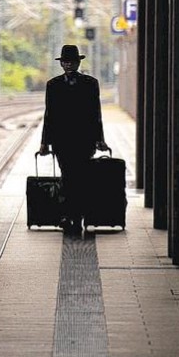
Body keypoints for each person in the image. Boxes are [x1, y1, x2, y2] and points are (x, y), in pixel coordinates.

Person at [38, 44, 108, 235]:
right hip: (62, 141)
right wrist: (44, 142)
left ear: (78, 62)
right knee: (69, 177)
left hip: (85, 140)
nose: (68, 65)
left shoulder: (90, 84)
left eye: (71, 61)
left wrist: (100, 139)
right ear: (61, 64)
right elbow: (49, 115)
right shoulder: (53, 86)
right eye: (65, 62)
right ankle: (72, 215)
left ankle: (72, 216)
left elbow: (96, 114)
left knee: (80, 177)